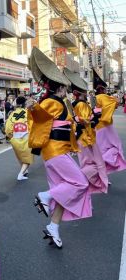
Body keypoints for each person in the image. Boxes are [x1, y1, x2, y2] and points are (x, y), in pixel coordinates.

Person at [27, 47, 92, 249]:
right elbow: (40, 117)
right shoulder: (52, 102)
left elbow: (57, 122)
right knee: (80, 184)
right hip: (56, 152)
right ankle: (44, 196)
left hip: (55, 152)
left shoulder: (55, 103)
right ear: (61, 89)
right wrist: (34, 107)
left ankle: (53, 227)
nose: (67, 91)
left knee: (63, 191)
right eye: (65, 88)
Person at [63, 68, 108, 194]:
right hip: (85, 136)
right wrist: (95, 117)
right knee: (93, 162)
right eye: (84, 90)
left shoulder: (76, 103)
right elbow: (86, 120)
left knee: (89, 162)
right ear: (81, 92)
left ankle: (94, 182)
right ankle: (85, 182)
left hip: (83, 135)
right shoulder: (81, 104)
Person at [93, 70, 126, 176]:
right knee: (116, 147)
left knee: (102, 149)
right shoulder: (103, 97)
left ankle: (102, 173)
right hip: (106, 126)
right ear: (102, 89)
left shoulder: (94, 98)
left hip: (97, 126)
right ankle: (102, 164)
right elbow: (116, 102)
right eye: (106, 89)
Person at [5, 96, 34, 180]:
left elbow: (8, 129)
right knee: (28, 158)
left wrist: (11, 137)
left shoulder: (12, 114)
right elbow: (32, 125)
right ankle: (21, 174)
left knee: (20, 156)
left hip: (15, 138)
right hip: (26, 137)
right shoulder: (28, 113)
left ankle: (25, 171)